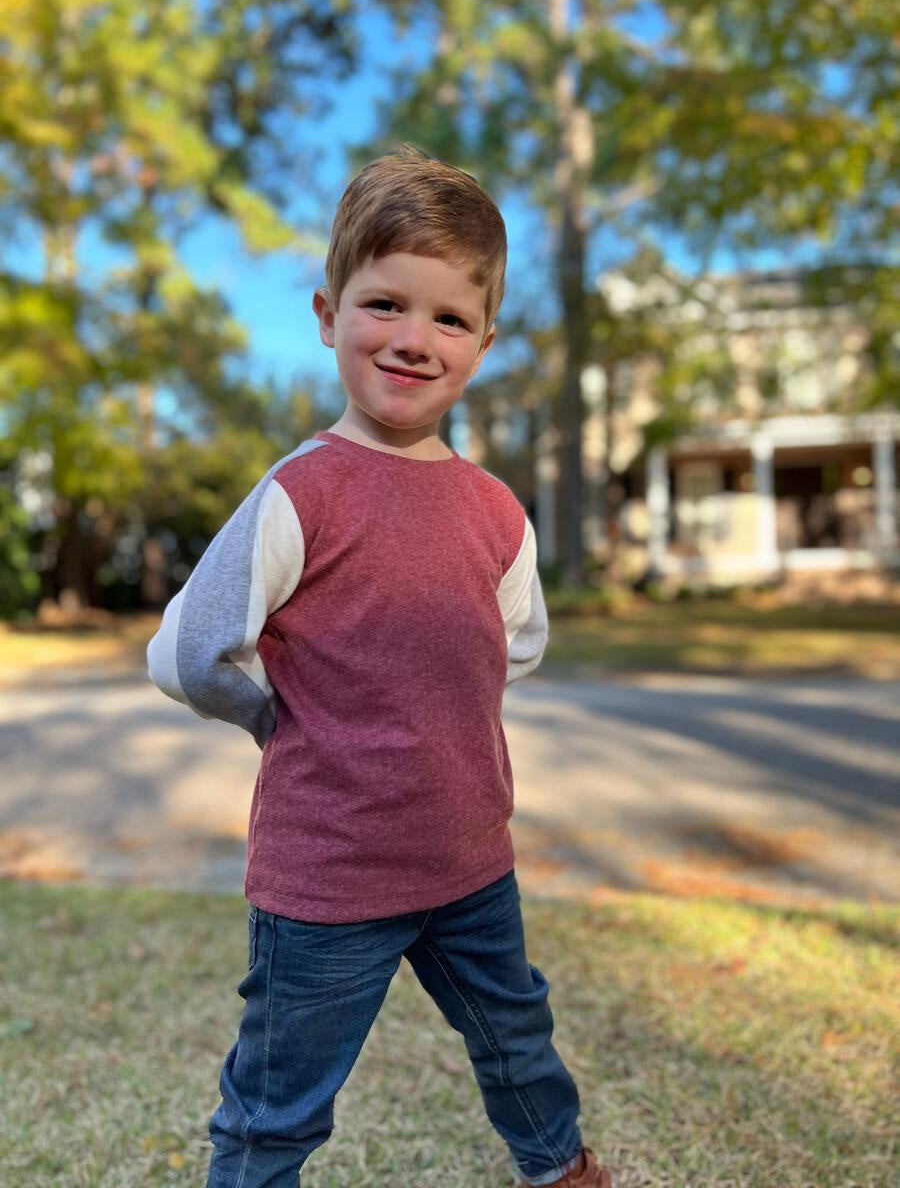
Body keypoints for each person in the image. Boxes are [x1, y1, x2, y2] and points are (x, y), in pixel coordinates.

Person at [146, 145, 612, 1188]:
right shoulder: (300, 493)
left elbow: (513, 645)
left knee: (520, 1050)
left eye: (448, 318)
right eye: (384, 304)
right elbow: (183, 654)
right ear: (326, 314)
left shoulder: (497, 510)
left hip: (469, 867)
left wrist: (429, 714)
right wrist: (276, 718)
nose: (413, 339)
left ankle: (562, 1170)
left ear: (485, 343)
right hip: (327, 881)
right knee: (277, 1109)